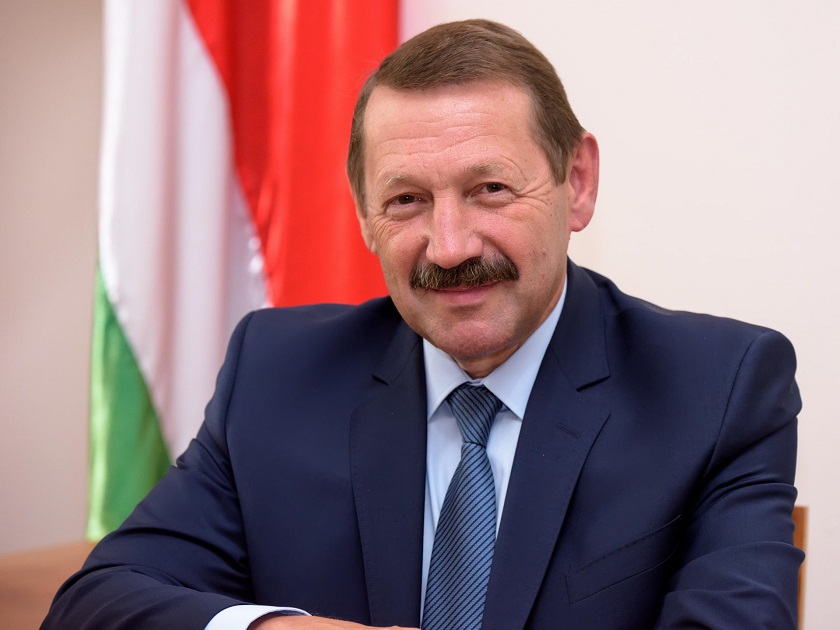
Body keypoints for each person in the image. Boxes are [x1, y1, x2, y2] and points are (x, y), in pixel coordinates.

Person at [43, 18, 802, 630]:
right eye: (406, 200)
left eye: (490, 188)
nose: (449, 247)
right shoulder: (276, 374)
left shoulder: (717, 389)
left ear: (576, 182)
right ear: (363, 215)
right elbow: (96, 602)